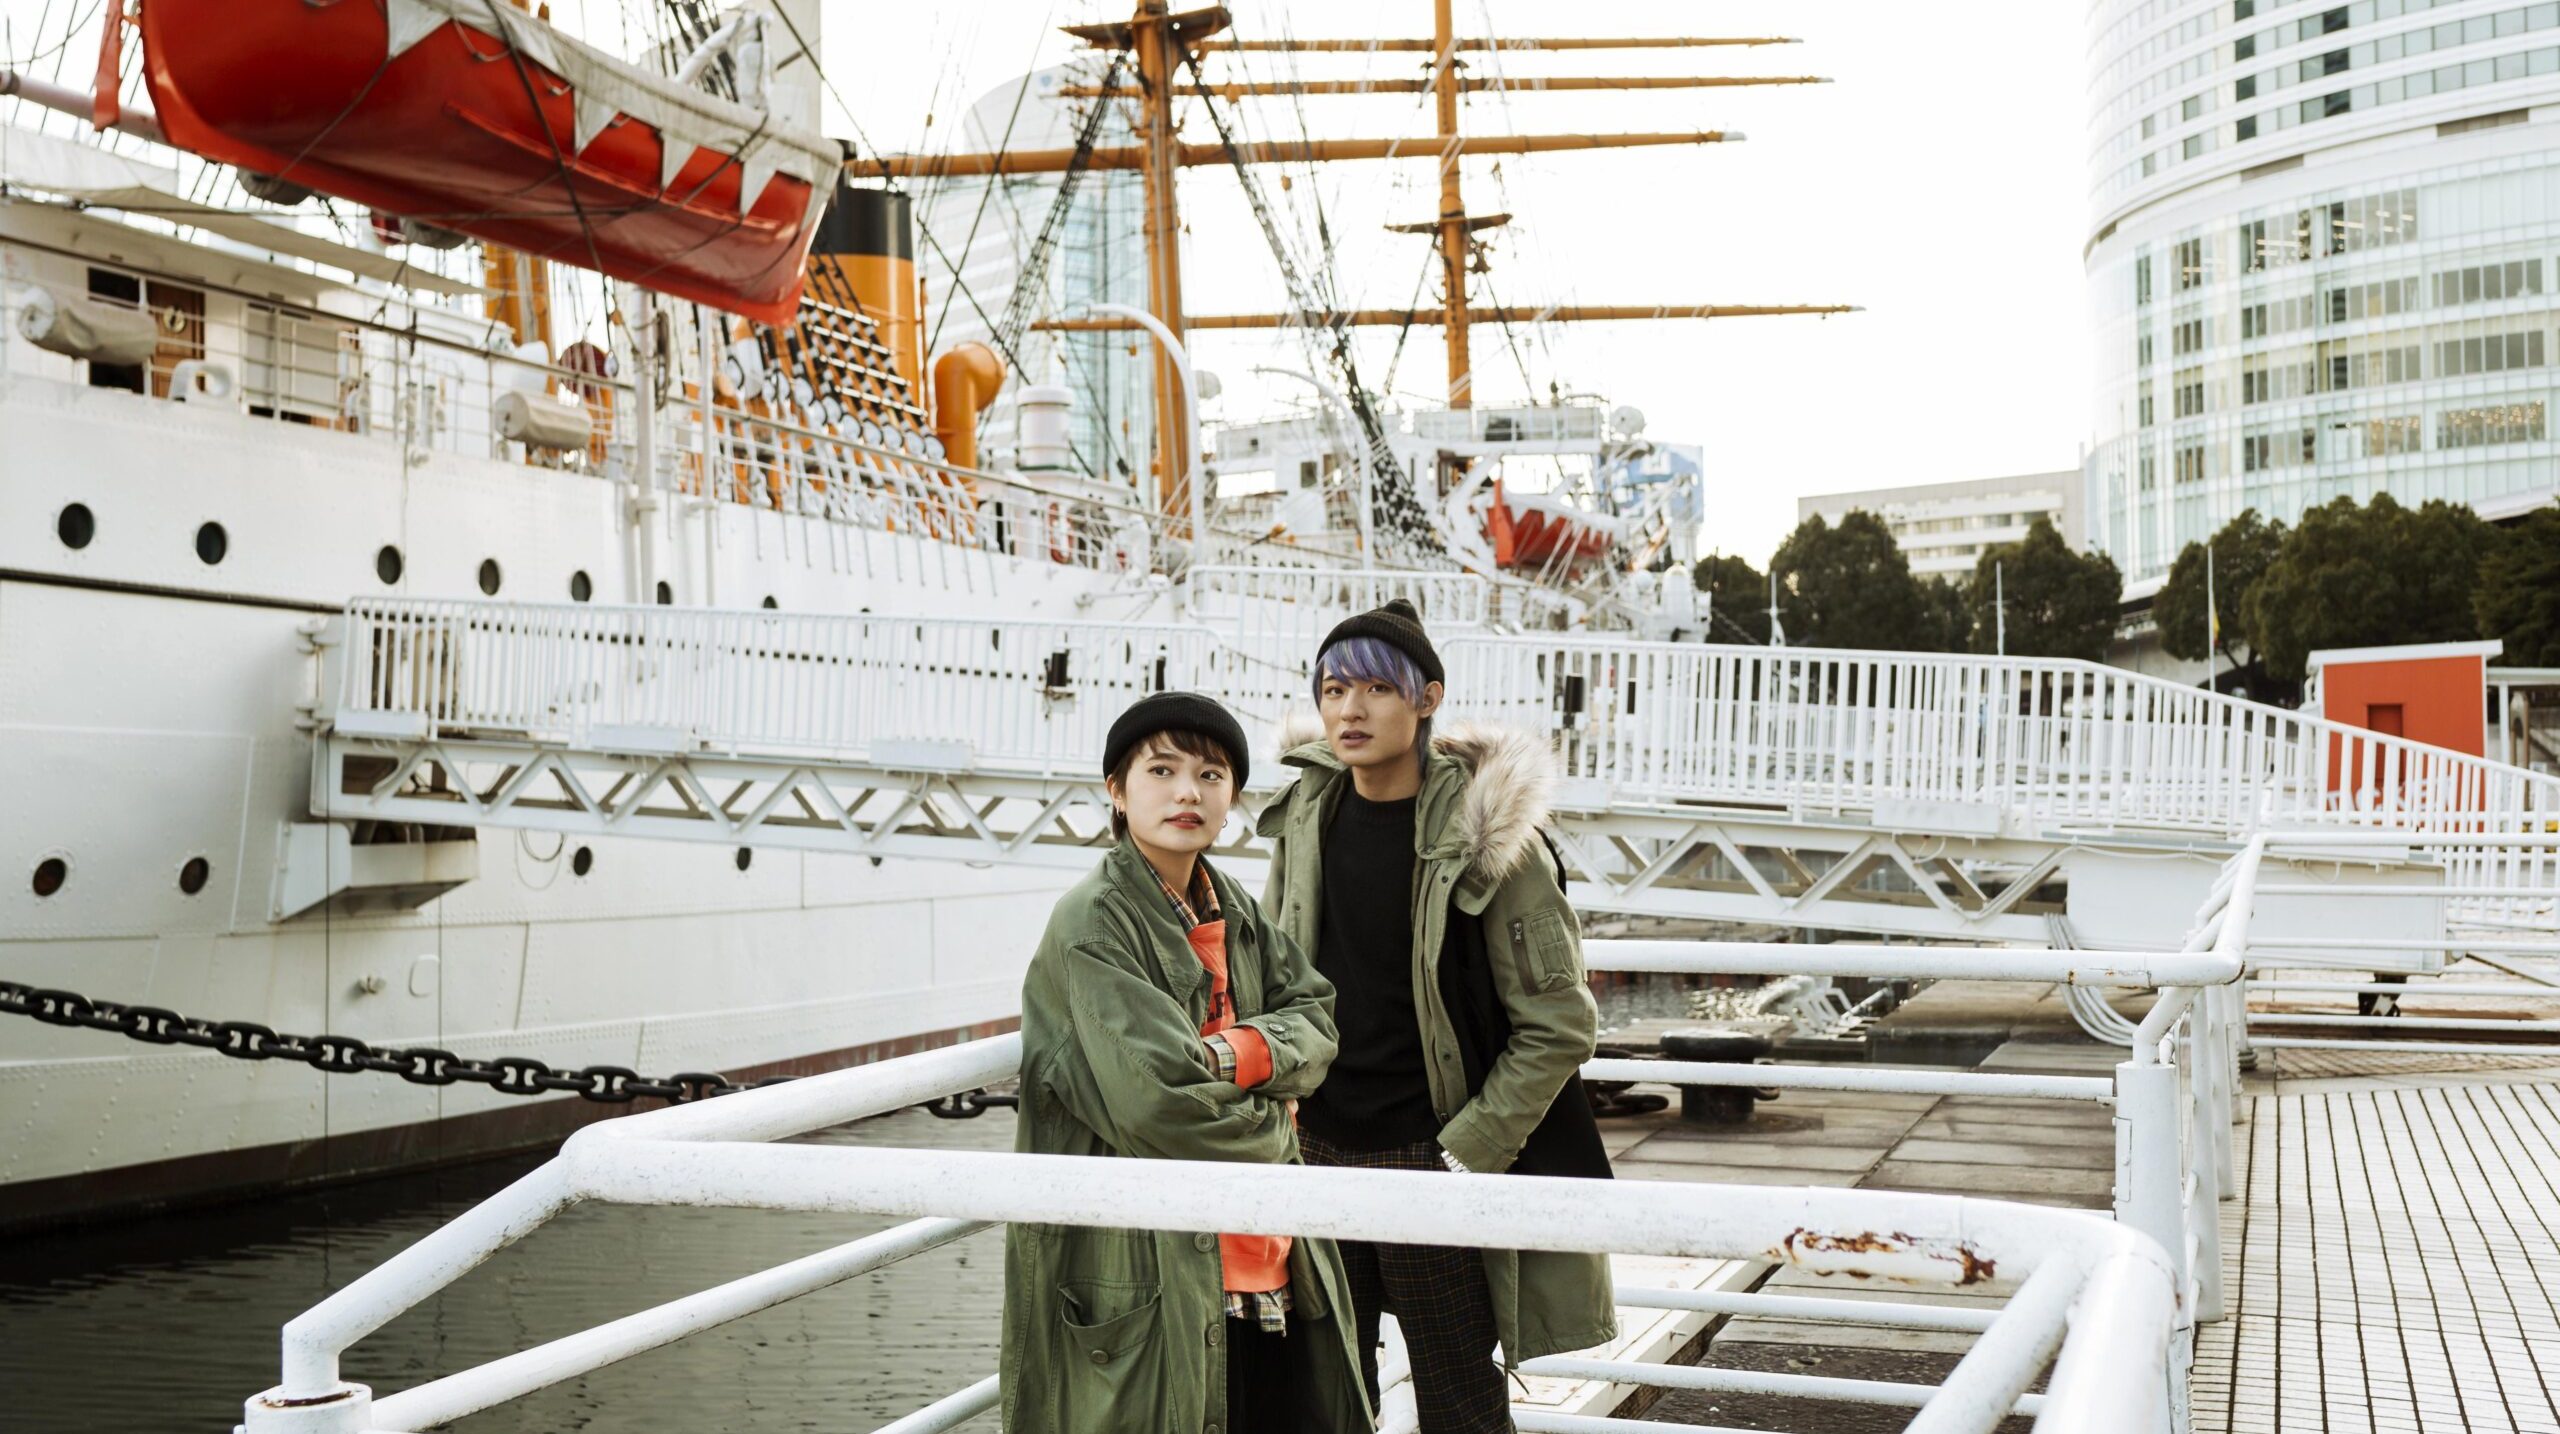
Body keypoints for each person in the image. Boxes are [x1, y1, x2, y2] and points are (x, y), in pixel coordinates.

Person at [1259, 600, 1617, 1433]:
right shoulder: (1307, 814)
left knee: (1459, 1404)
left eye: (1376, 689)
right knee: (1326, 1399)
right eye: (1333, 687)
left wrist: (1465, 1153)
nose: (1349, 709)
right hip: (1314, 1150)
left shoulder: (1490, 835)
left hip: (1430, 1157)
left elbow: (1561, 1022)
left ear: (1427, 699)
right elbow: (1277, 982)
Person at [1001, 691, 1373, 1434]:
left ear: (1232, 796)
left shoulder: (1228, 903)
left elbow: (1318, 1018)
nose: (1186, 792)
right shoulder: (1093, 922)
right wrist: (1277, 1118)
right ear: (1116, 789)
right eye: (1162, 770)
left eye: (1210, 775)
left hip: (1265, 1260)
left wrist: (1233, 1052)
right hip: (1153, 1267)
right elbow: (1157, 1102)